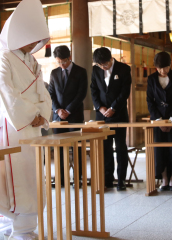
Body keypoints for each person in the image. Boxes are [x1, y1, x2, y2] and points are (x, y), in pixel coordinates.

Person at [0, 0, 51, 240]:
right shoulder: (5, 59)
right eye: (31, 37)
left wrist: (42, 115)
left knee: (32, 174)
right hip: (13, 125)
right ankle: (15, 226)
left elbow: (43, 92)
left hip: (30, 126)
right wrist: (32, 114)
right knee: (14, 174)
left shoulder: (32, 61)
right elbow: (3, 89)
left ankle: (26, 226)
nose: (35, 43)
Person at [90, 47, 132, 191]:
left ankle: (121, 180)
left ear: (110, 59)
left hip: (118, 114)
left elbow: (125, 92)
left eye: (105, 65)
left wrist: (113, 108)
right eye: (100, 65)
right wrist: (100, 107)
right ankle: (107, 179)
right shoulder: (95, 70)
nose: (103, 67)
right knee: (105, 148)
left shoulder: (124, 69)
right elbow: (93, 90)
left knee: (121, 148)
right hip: (102, 116)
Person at [147, 51, 172, 191]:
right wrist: (158, 120)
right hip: (158, 120)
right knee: (160, 149)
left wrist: (171, 120)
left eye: (165, 67)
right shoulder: (151, 79)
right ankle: (164, 178)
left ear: (170, 65)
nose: (162, 71)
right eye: (159, 68)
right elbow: (150, 101)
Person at [48, 45, 88, 186]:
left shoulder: (81, 72)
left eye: (63, 62)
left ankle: (79, 178)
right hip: (58, 118)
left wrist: (68, 110)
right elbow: (51, 94)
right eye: (58, 62)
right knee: (59, 148)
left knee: (77, 148)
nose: (61, 65)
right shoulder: (54, 73)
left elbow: (81, 94)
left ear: (69, 57)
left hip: (75, 116)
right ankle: (61, 179)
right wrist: (58, 110)